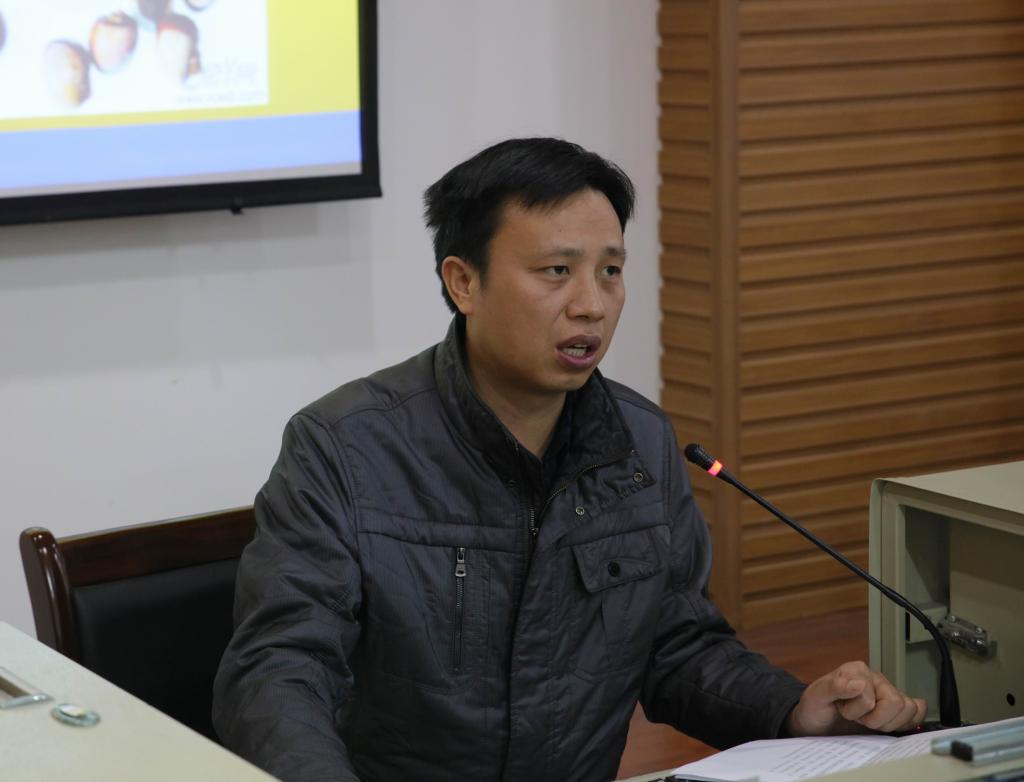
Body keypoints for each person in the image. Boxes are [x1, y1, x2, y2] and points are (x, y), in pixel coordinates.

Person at [212, 138, 926, 782]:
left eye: (610, 271)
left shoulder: (640, 443)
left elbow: (677, 647)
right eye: (557, 271)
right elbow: (279, 672)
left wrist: (791, 708)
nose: (592, 305)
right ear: (464, 283)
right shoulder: (344, 445)